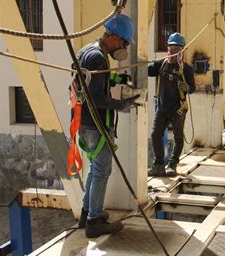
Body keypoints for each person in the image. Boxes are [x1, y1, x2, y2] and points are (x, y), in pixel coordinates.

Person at [76, 14, 140, 238]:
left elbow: (91, 88)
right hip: (95, 123)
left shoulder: (87, 51)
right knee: (103, 170)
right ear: (113, 38)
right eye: (123, 43)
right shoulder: (98, 58)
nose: (122, 48)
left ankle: (87, 214)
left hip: (84, 121)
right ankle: (94, 221)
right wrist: (121, 104)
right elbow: (97, 99)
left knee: (96, 168)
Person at [148, 32, 195, 177]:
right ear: (168, 48)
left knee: (178, 137)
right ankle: (159, 165)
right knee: (155, 135)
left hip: (178, 109)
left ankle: (173, 164)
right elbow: (147, 70)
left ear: (182, 50)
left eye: (177, 48)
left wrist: (186, 87)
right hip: (162, 108)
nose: (174, 51)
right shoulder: (160, 64)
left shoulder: (185, 68)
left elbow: (192, 88)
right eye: (172, 47)